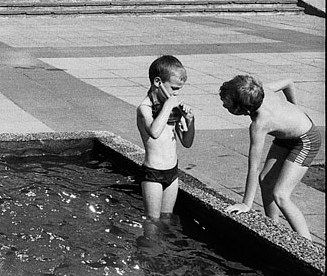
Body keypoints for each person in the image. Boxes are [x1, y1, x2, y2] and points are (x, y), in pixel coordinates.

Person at [219, 75, 321, 240]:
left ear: (243, 110)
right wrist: (294, 107)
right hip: (289, 137)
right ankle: (273, 228)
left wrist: (246, 204)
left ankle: (307, 246)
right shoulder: (262, 90)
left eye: (228, 105)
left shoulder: (259, 125)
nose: (224, 105)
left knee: (280, 194)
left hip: (306, 141)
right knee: (266, 180)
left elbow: (253, 167)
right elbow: (289, 82)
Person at [136, 55, 195, 222]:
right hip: (153, 173)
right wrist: (168, 106)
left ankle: (163, 248)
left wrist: (190, 121)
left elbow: (187, 142)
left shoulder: (172, 109)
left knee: (166, 218)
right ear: (158, 82)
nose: (176, 94)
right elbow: (154, 132)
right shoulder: (144, 109)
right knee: (152, 221)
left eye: (179, 90)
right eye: (174, 88)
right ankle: (149, 247)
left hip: (172, 172)